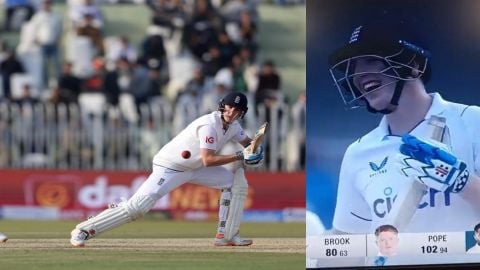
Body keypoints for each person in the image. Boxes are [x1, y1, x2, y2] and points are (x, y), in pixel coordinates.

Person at [328, 15, 480, 234]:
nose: (358, 74)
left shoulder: (473, 121)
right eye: (352, 67)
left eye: (370, 59)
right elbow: (348, 243)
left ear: (413, 65)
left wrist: (462, 182)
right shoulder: (357, 153)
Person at [70, 92, 264, 247]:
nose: (232, 112)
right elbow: (208, 159)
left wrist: (256, 149)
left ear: (242, 113)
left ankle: (227, 235)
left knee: (235, 184)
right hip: (170, 167)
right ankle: (85, 229)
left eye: (237, 110)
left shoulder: (233, 126)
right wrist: (241, 156)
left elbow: (248, 144)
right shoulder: (209, 126)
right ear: (223, 106)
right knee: (138, 207)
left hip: (194, 167)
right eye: (230, 107)